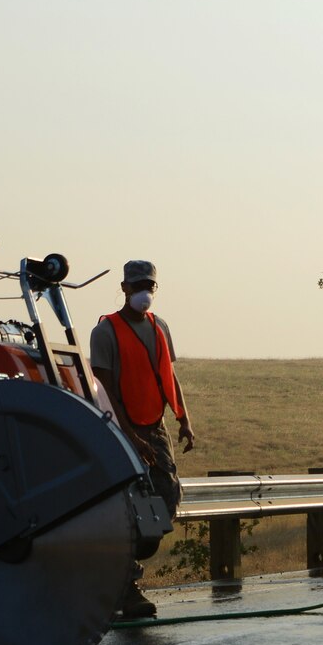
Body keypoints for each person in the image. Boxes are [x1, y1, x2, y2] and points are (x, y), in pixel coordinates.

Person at [90, 259, 197, 619]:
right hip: (121, 429)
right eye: (137, 286)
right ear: (124, 288)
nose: (143, 293)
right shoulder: (106, 331)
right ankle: (125, 583)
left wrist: (183, 419)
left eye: (149, 286)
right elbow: (104, 389)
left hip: (155, 426)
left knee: (166, 497)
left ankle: (119, 572)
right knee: (131, 506)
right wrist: (130, 437)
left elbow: (169, 375)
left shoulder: (160, 327)